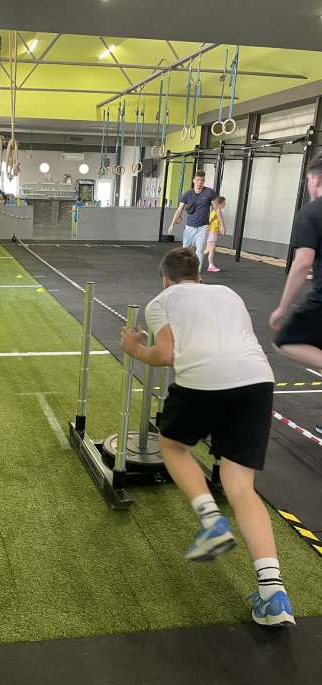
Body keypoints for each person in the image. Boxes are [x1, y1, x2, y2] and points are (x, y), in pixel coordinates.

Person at [120, 246, 295, 628]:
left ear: (165, 279)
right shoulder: (229, 293)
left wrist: (134, 349)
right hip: (256, 381)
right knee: (240, 485)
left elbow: (166, 355)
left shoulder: (162, 301)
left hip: (203, 381)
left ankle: (211, 519)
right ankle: (273, 593)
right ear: (199, 275)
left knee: (172, 446)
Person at [270, 156, 322, 434]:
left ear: (315, 179)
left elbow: (302, 263)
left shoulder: (312, 212)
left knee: (285, 341)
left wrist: (282, 307)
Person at [168, 170, 225, 272]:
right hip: (190, 227)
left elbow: (217, 209)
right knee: (185, 249)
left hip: (203, 227)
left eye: (202, 180)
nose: (200, 182)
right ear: (194, 180)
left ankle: (196, 272)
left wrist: (222, 225)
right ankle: (183, 269)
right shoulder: (187, 194)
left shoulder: (209, 192)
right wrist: (172, 224)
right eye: (198, 180)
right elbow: (179, 209)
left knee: (200, 250)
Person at [204, 196, 226, 273]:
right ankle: (211, 266)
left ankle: (194, 259)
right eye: (224, 203)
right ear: (219, 204)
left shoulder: (215, 211)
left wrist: (218, 231)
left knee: (208, 250)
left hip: (213, 232)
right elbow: (209, 221)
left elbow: (215, 222)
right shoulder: (217, 211)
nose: (225, 204)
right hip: (212, 232)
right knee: (212, 249)